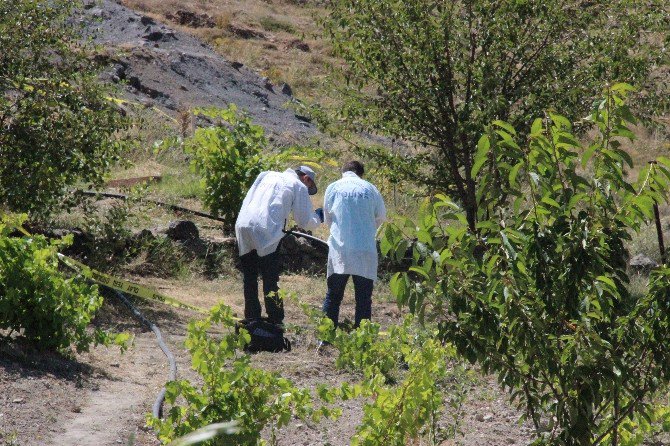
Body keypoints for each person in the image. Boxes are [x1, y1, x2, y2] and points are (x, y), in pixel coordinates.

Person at [235, 166, 323, 325]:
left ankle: (251, 317)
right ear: (306, 179)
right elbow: (304, 221)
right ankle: (275, 319)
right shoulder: (299, 186)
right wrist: (319, 217)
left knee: (249, 276)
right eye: (310, 186)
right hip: (265, 229)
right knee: (270, 278)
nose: (308, 189)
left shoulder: (265, 174)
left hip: (243, 225)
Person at [321, 161, 386, 331]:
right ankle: (362, 336)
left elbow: (328, 218)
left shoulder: (333, 187)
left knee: (334, 295)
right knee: (364, 298)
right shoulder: (370, 188)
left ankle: (327, 335)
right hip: (365, 249)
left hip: (339, 249)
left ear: (343, 172)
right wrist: (366, 228)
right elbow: (381, 217)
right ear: (361, 174)